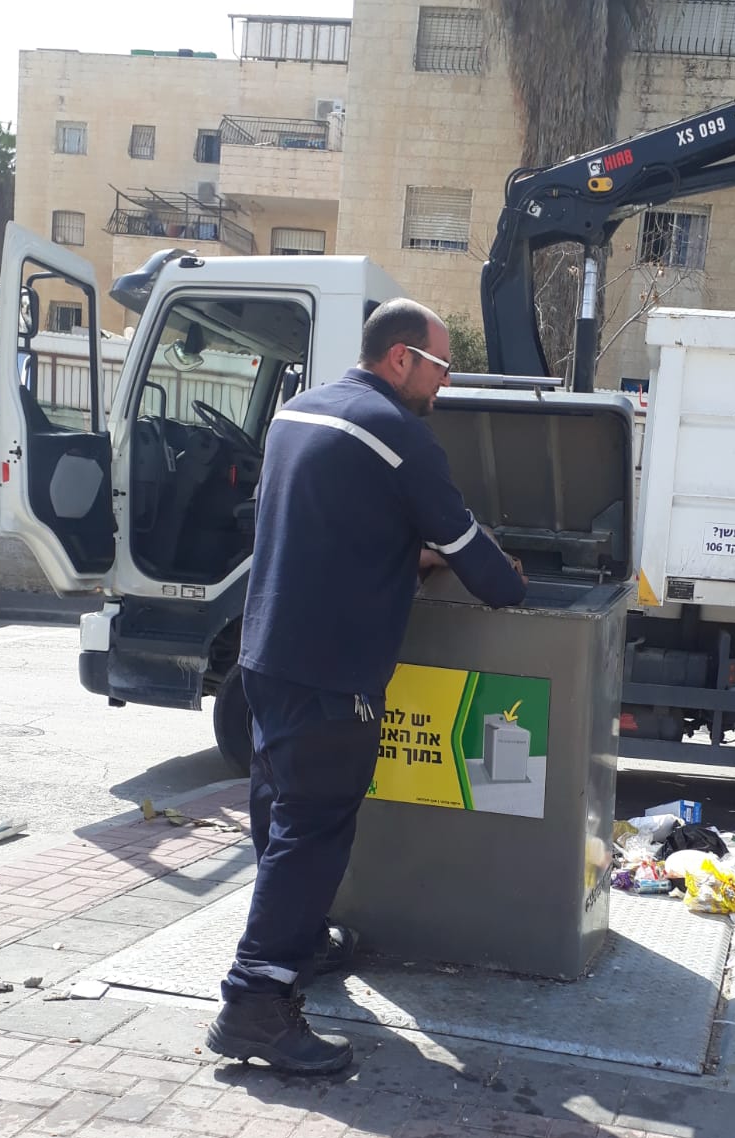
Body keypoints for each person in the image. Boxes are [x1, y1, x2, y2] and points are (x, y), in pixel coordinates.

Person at [206, 299, 526, 1076]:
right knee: (315, 832)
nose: (444, 387)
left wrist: (399, 553)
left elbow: (321, 523)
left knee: (280, 816)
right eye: (442, 369)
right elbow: (486, 571)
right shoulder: (398, 435)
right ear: (401, 359)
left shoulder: (300, 413)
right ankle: (256, 1000)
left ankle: (300, 945)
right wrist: (498, 573)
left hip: (265, 655)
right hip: (332, 672)